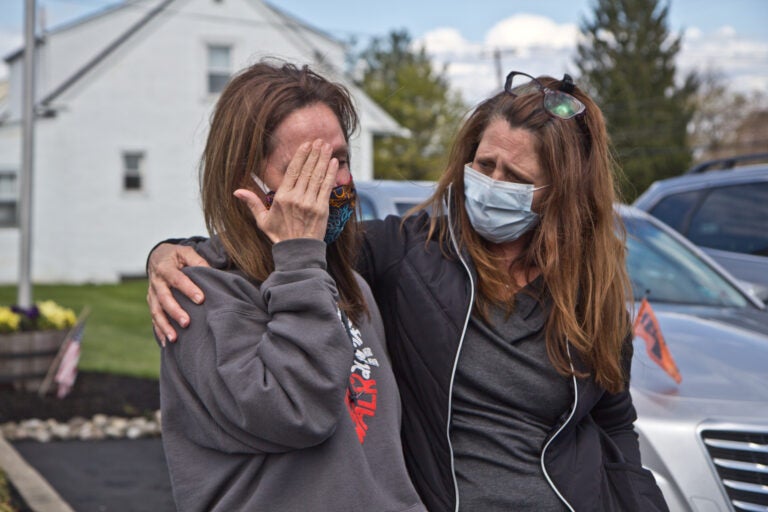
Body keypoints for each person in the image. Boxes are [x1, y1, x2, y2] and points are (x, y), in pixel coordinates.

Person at [148, 70, 669, 511]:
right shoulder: (407, 255)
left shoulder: (588, 296)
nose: (492, 183)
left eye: (516, 177)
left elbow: (614, 425)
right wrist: (166, 253)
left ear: (561, 194)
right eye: (484, 165)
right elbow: (259, 251)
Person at [155, 60, 426, 512]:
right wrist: (299, 255)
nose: (337, 182)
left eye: (341, 159)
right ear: (247, 184)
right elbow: (296, 412)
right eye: (310, 168)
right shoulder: (199, 295)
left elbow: (378, 453)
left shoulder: (348, 285)